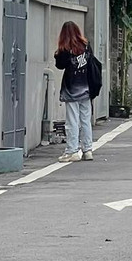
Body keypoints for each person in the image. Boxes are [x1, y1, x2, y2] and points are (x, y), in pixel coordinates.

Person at [54, 21, 100, 163]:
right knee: (85, 120)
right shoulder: (86, 46)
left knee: (72, 121)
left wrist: (58, 53)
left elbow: (60, 65)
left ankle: (72, 150)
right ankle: (88, 150)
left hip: (71, 89)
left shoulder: (65, 49)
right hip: (86, 88)